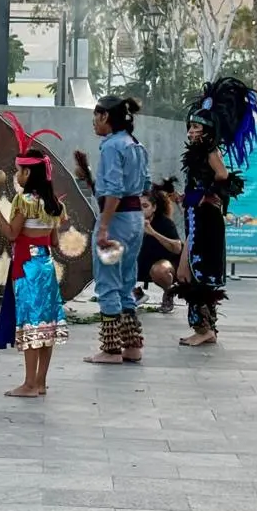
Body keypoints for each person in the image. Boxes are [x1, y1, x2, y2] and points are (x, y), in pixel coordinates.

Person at [175, 77, 257, 347]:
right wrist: (186, 197)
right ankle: (206, 328)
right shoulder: (199, 153)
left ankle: (204, 330)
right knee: (191, 269)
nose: (191, 131)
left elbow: (223, 176)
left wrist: (204, 196)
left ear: (208, 131)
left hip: (206, 221)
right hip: (196, 217)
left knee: (196, 270)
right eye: (190, 126)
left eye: (196, 127)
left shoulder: (210, 150)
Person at [0, 141, 69, 398]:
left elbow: (12, 234)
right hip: (46, 265)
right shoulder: (54, 203)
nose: (17, 176)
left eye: (20, 171)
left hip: (27, 267)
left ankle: (29, 384)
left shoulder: (24, 200)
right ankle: (41, 382)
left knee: (31, 323)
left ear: (29, 174)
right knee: (46, 324)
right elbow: (54, 241)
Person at [82, 95, 150, 365]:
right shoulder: (136, 144)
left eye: (95, 118)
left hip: (117, 220)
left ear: (105, 117)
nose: (94, 124)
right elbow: (145, 183)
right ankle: (132, 346)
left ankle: (110, 350)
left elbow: (114, 190)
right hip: (135, 220)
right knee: (126, 282)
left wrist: (104, 226)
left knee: (108, 281)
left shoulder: (111, 146)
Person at [136, 178, 182, 313]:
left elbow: (178, 247)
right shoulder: (130, 222)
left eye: (145, 206)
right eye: (137, 207)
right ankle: (134, 293)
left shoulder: (164, 223)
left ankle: (168, 293)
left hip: (164, 265)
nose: (140, 211)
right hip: (140, 264)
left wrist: (153, 233)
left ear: (154, 207)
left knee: (159, 270)